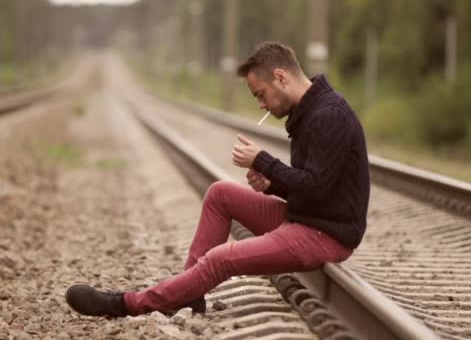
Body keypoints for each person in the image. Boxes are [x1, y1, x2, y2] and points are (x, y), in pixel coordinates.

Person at [64, 41, 370, 317]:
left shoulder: (328, 115)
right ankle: (189, 294)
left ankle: (128, 303)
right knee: (220, 193)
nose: (261, 105)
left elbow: (317, 188)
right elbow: (315, 186)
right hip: (307, 218)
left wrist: (263, 161)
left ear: (280, 77)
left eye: (260, 95)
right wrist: (272, 184)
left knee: (221, 259)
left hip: (324, 235)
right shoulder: (309, 112)